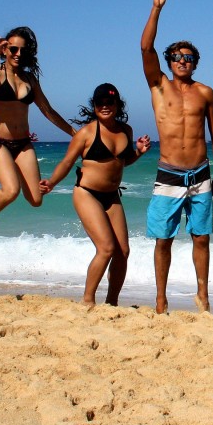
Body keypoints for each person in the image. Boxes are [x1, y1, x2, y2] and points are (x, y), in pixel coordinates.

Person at [141, 0, 213, 314]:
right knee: (164, 239)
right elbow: (146, 48)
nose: (182, 61)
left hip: (202, 175)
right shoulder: (158, 85)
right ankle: (161, 298)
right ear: (170, 60)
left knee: (201, 237)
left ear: (195, 62)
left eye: (188, 57)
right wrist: (157, 8)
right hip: (169, 175)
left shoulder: (205, 93)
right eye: (176, 56)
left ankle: (202, 295)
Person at [40, 84, 151, 307]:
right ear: (94, 106)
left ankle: (111, 303)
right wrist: (51, 182)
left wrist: (138, 152)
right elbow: (67, 162)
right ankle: (87, 300)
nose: (105, 106)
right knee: (106, 248)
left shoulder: (125, 131)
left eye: (110, 102)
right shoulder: (86, 134)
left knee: (123, 251)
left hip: (112, 196)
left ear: (117, 105)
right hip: (87, 193)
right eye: (100, 103)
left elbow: (122, 162)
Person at [0, 27, 77, 242]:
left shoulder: (29, 79)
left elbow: (48, 111)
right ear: (5, 49)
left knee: (36, 200)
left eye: (23, 50)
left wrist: (75, 133)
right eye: (13, 49)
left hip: (23, 144)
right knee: (11, 191)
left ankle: (16, 171)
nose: (18, 54)